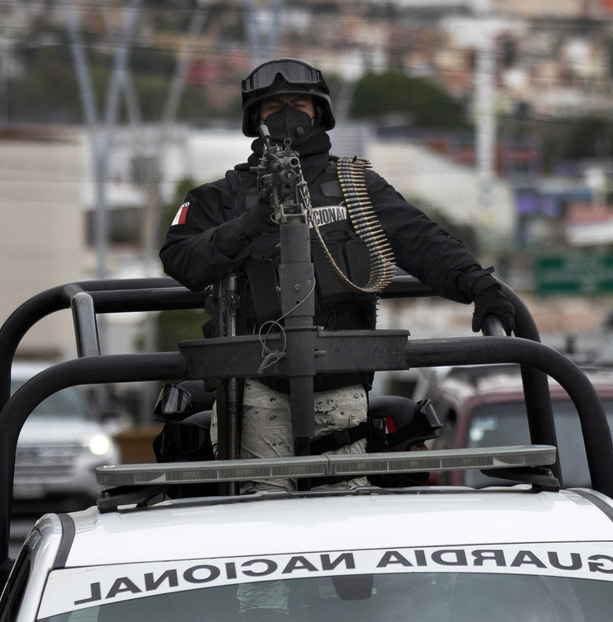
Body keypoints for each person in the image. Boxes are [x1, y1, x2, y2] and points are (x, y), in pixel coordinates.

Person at [159, 58, 514, 494]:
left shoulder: (356, 184)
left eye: (297, 104)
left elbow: (422, 242)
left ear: (318, 113)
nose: (286, 115)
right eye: (273, 107)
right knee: (258, 513)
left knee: (344, 509)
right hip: (253, 387)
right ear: (256, 120)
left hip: (341, 380)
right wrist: (248, 225)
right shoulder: (224, 196)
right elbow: (180, 259)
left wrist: (478, 284)